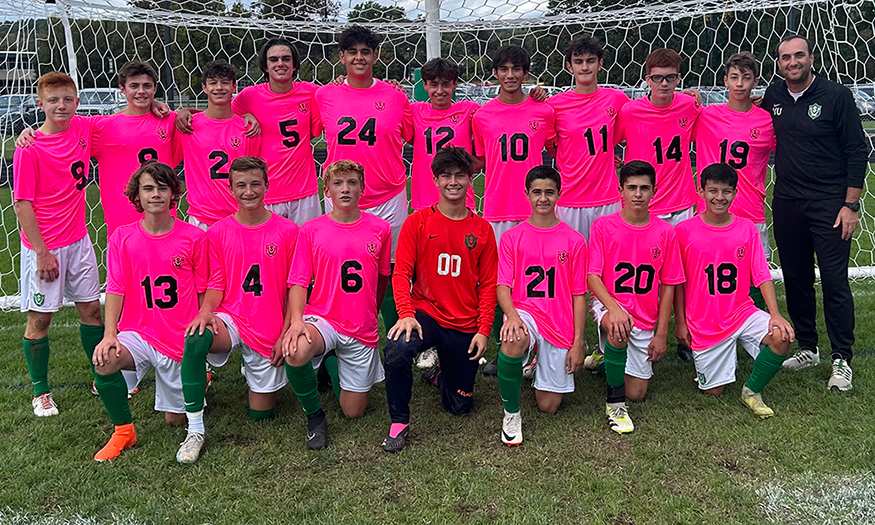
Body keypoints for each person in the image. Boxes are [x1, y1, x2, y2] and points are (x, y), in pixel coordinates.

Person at [762, 35, 869, 390]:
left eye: (798, 55)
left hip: (830, 204)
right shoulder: (774, 97)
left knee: (835, 281)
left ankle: (842, 358)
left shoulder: (836, 96)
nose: (792, 62)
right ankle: (808, 347)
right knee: (795, 277)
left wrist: (850, 205)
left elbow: (857, 152)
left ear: (811, 58)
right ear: (778, 63)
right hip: (789, 202)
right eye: (785, 57)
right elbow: (740, 107)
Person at [178, 156, 299, 464]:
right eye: (241, 185)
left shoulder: (288, 231)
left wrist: (284, 333)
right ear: (230, 189)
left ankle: (273, 369)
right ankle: (195, 430)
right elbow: (216, 282)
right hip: (231, 317)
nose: (249, 191)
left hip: (269, 323)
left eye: (255, 184)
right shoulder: (217, 233)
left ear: (267, 186)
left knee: (261, 415)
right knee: (196, 338)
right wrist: (206, 311)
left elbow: (293, 289)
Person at [382, 147, 497, 453]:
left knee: (459, 406)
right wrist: (406, 313)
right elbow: (400, 273)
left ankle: (441, 375)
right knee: (397, 349)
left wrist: (484, 330)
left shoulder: (483, 230)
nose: (453, 182)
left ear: (471, 180)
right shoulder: (417, 222)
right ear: (435, 180)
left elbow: (488, 285)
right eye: (446, 175)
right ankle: (399, 422)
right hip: (426, 314)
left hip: (463, 322)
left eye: (460, 175)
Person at [91, 162, 208, 461]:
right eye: (148, 188)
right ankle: (123, 431)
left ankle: (198, 376)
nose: (155, 194)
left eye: (162, 188)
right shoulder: (122, 237)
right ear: (137, 196)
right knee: (104, 361)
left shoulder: (193, 237)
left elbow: (205, 287)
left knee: (174, 420)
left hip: (177, 338)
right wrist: (109, 334)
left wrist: (202, 316)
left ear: (173, 195)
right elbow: (116, 287)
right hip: (138, 333)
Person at [283, 160, 391, 450]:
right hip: (324, 318)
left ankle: (331, 361)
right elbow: (299, 280)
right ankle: (315, 415)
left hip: (361, 326)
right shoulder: (311, 229)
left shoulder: (380, 229)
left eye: (352, 182)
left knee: (353, 413)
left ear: (362, 188)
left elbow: (382, 280)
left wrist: (371, 312)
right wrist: (296, 322)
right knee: (295, 351)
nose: (345, 189)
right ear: (327, 190)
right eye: (338, 183)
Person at [13, 71, 103, 417]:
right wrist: (41, 252)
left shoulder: (83, 129)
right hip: (45, 247)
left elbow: (127, 116)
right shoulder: (30, 147)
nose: (61, 106)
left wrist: (156, 103)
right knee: (41, 320)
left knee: (91, 311)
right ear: (41, 104)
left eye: (67, 99)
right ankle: (41, 392)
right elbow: (22, 204)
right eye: (53, 100)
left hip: (79, 242)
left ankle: (101, 376)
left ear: (77, 102)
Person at [674, 163, 793, 418]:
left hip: (741, 312)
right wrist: (681, 323)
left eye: (726, 191)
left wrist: (775, 314)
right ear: (701, 191)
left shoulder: (747, 228)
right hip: (704, 322)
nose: (719, 197)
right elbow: (678, 283)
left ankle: (751, 390)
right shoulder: (684, 231)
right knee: (714, 391)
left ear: (735, 193)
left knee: (781, 336)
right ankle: (722, 360)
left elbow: (761, 275)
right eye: (713, 191)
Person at [314, 24, 412, 334]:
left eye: (366, 52)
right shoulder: (324, 95)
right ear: (341, 57)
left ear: (376, 56)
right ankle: (336, 334)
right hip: (341, 196)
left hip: (388, 196)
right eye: (353, 52)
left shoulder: (395, 96)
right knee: (335, 268)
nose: (359, 58)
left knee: (394, 268)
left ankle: (400, 336)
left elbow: (411, 134)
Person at [16, 61, 179, 236]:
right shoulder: (100, 127)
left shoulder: (170, 120)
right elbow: (60, 128)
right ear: (122, 89)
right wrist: (33, 134)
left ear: (155, 89)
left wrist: (168, 108)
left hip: (163, 217)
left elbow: (202, 120)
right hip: (121, 220)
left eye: (147, 86)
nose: (141, 91)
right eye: (134, 86)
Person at [472, 45, 555, 375]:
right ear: (495, 73)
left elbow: (559, 145)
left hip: (535, 210)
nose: (510, 75)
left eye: (516, 69)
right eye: (503, 69)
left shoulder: (543, 111)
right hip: (496, 209)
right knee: (497, 281)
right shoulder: (482, 115)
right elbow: (479, 159)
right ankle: (502, 346)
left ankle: (539, 345)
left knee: (536, 279)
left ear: (526, 73)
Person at [176, 40, 322, 224]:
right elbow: (220, 116)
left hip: (304, 190)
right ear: (265, 66)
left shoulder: (312, 92)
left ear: (295, 65)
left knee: (304, 248)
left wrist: (341, 82)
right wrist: (188, 111)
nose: (280, 63)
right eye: (273, 59)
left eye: (286, 59)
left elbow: (336, 101)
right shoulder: (249, 96)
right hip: (264, 193)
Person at [616, 47, 701, 363]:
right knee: (639, 273)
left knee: (683, 275)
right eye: (657, 78)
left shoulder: (690, 105)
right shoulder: (630, 112)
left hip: (681, 205)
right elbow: (604, 140)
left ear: (679, 78)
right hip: (644, 208)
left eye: (671, 78)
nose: (664, 84)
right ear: (647, 79)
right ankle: (628, 334)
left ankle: (686, 334)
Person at [587, 161, 684, 433]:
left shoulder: (666, 232)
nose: (638, 194)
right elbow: (592, 276)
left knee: (638, 393)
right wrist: (613, 308)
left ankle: (604, 358)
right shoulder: (603, 226)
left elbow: (669, 284)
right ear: (621, 190)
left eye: (644, 188)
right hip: (609, 305)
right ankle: (615, 406)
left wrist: (661, 334)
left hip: (645, 315)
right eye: (631, 188)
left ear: (654, 191)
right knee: (619, 328)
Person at [495, 166, 587, 446]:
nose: (543, 198)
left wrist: (578, 342)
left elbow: (579, 295)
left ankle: (535, 360)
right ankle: (511, 414)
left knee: (549, 406)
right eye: (537, 192)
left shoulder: (574, 240)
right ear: (527, 194)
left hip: (559, 322)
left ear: (559, 194)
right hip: (526, 313)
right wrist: (511, 315)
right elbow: (502, 286)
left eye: (549, 192)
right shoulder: (513, 237)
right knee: (513, 338)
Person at [695, 52, 775, 310]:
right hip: (709, 210)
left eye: (746, 78)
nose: (740, 84)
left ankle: (764, 329)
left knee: (756, 276)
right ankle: (706, 330)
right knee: (709, 276)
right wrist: (686, 93)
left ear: (755, 82)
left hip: (750, 209)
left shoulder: (767, 120)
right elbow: (672, 112)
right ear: (725, 81)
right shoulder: (706, 116)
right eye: (734, 77)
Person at [547, 35, 629, 238]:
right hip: (570, 200)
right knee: (571, 266)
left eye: (590, 61)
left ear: (600, 64)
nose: (584, 67)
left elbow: (647, 112)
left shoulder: (616, 99)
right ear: (569, 66)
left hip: (608, 200)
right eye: (578, 62)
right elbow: (551, 146)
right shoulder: (555, 105)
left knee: (609, 265)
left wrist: (685, 96)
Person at [175, 60, 261, 229]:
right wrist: (185, 110)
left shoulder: (247, 129)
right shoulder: (188, 126)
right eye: (213, 83)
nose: (219, 88)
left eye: (225, 83)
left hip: (239, 216)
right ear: (204, 87)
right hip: (202, 218)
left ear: (234, 87)